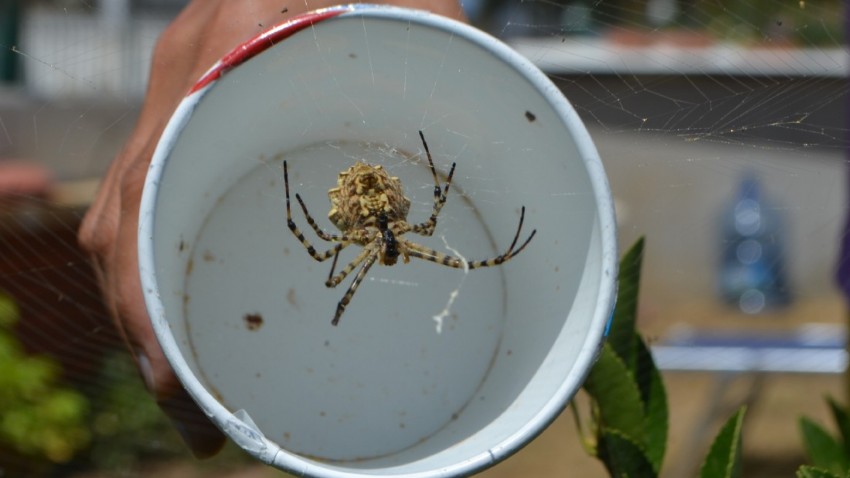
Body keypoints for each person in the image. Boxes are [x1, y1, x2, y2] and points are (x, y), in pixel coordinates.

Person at [78, 0, 466, 458]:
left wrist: (298, 204)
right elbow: (330, 249)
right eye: (391, 254)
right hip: (369, 196)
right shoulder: (395, 236)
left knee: (334, 272)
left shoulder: (374, 243)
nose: (391, 255)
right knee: (336, 274)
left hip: (359, 203)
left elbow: (325, 250)